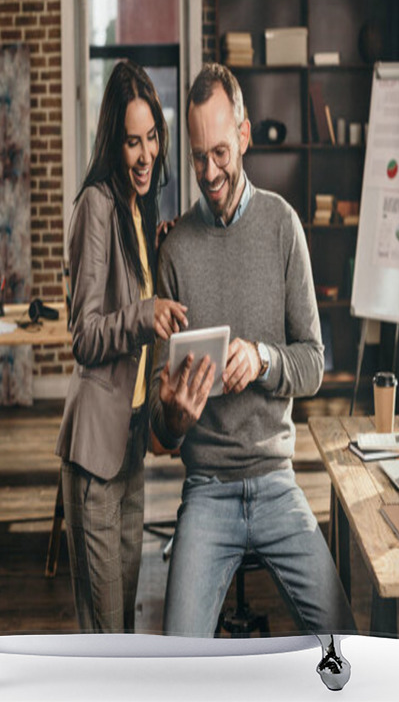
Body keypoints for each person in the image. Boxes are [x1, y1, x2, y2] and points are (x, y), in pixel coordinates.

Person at [149, 63, 356, 637]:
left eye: (219, 151)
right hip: (207, 489)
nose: (209, 171)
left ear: (243, 136)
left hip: (276, 483)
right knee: (176, 655)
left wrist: (264, 359)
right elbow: (157, 423)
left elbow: (313, 363)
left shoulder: (284, 226)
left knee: (345, 637)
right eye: (196, 157)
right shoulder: (175, 251)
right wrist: (173, 414)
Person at [56, 60, 188, 633]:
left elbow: (128, 293)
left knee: (125, 623)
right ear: (115, 140)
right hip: (95, 454)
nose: (145, 154)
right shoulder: (97, 206)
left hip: (131, 442)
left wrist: (155, 260)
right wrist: (143, 313)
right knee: (105, 631)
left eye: (152, 137)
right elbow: (85, 334)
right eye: (132, 141)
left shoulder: (139, 211)